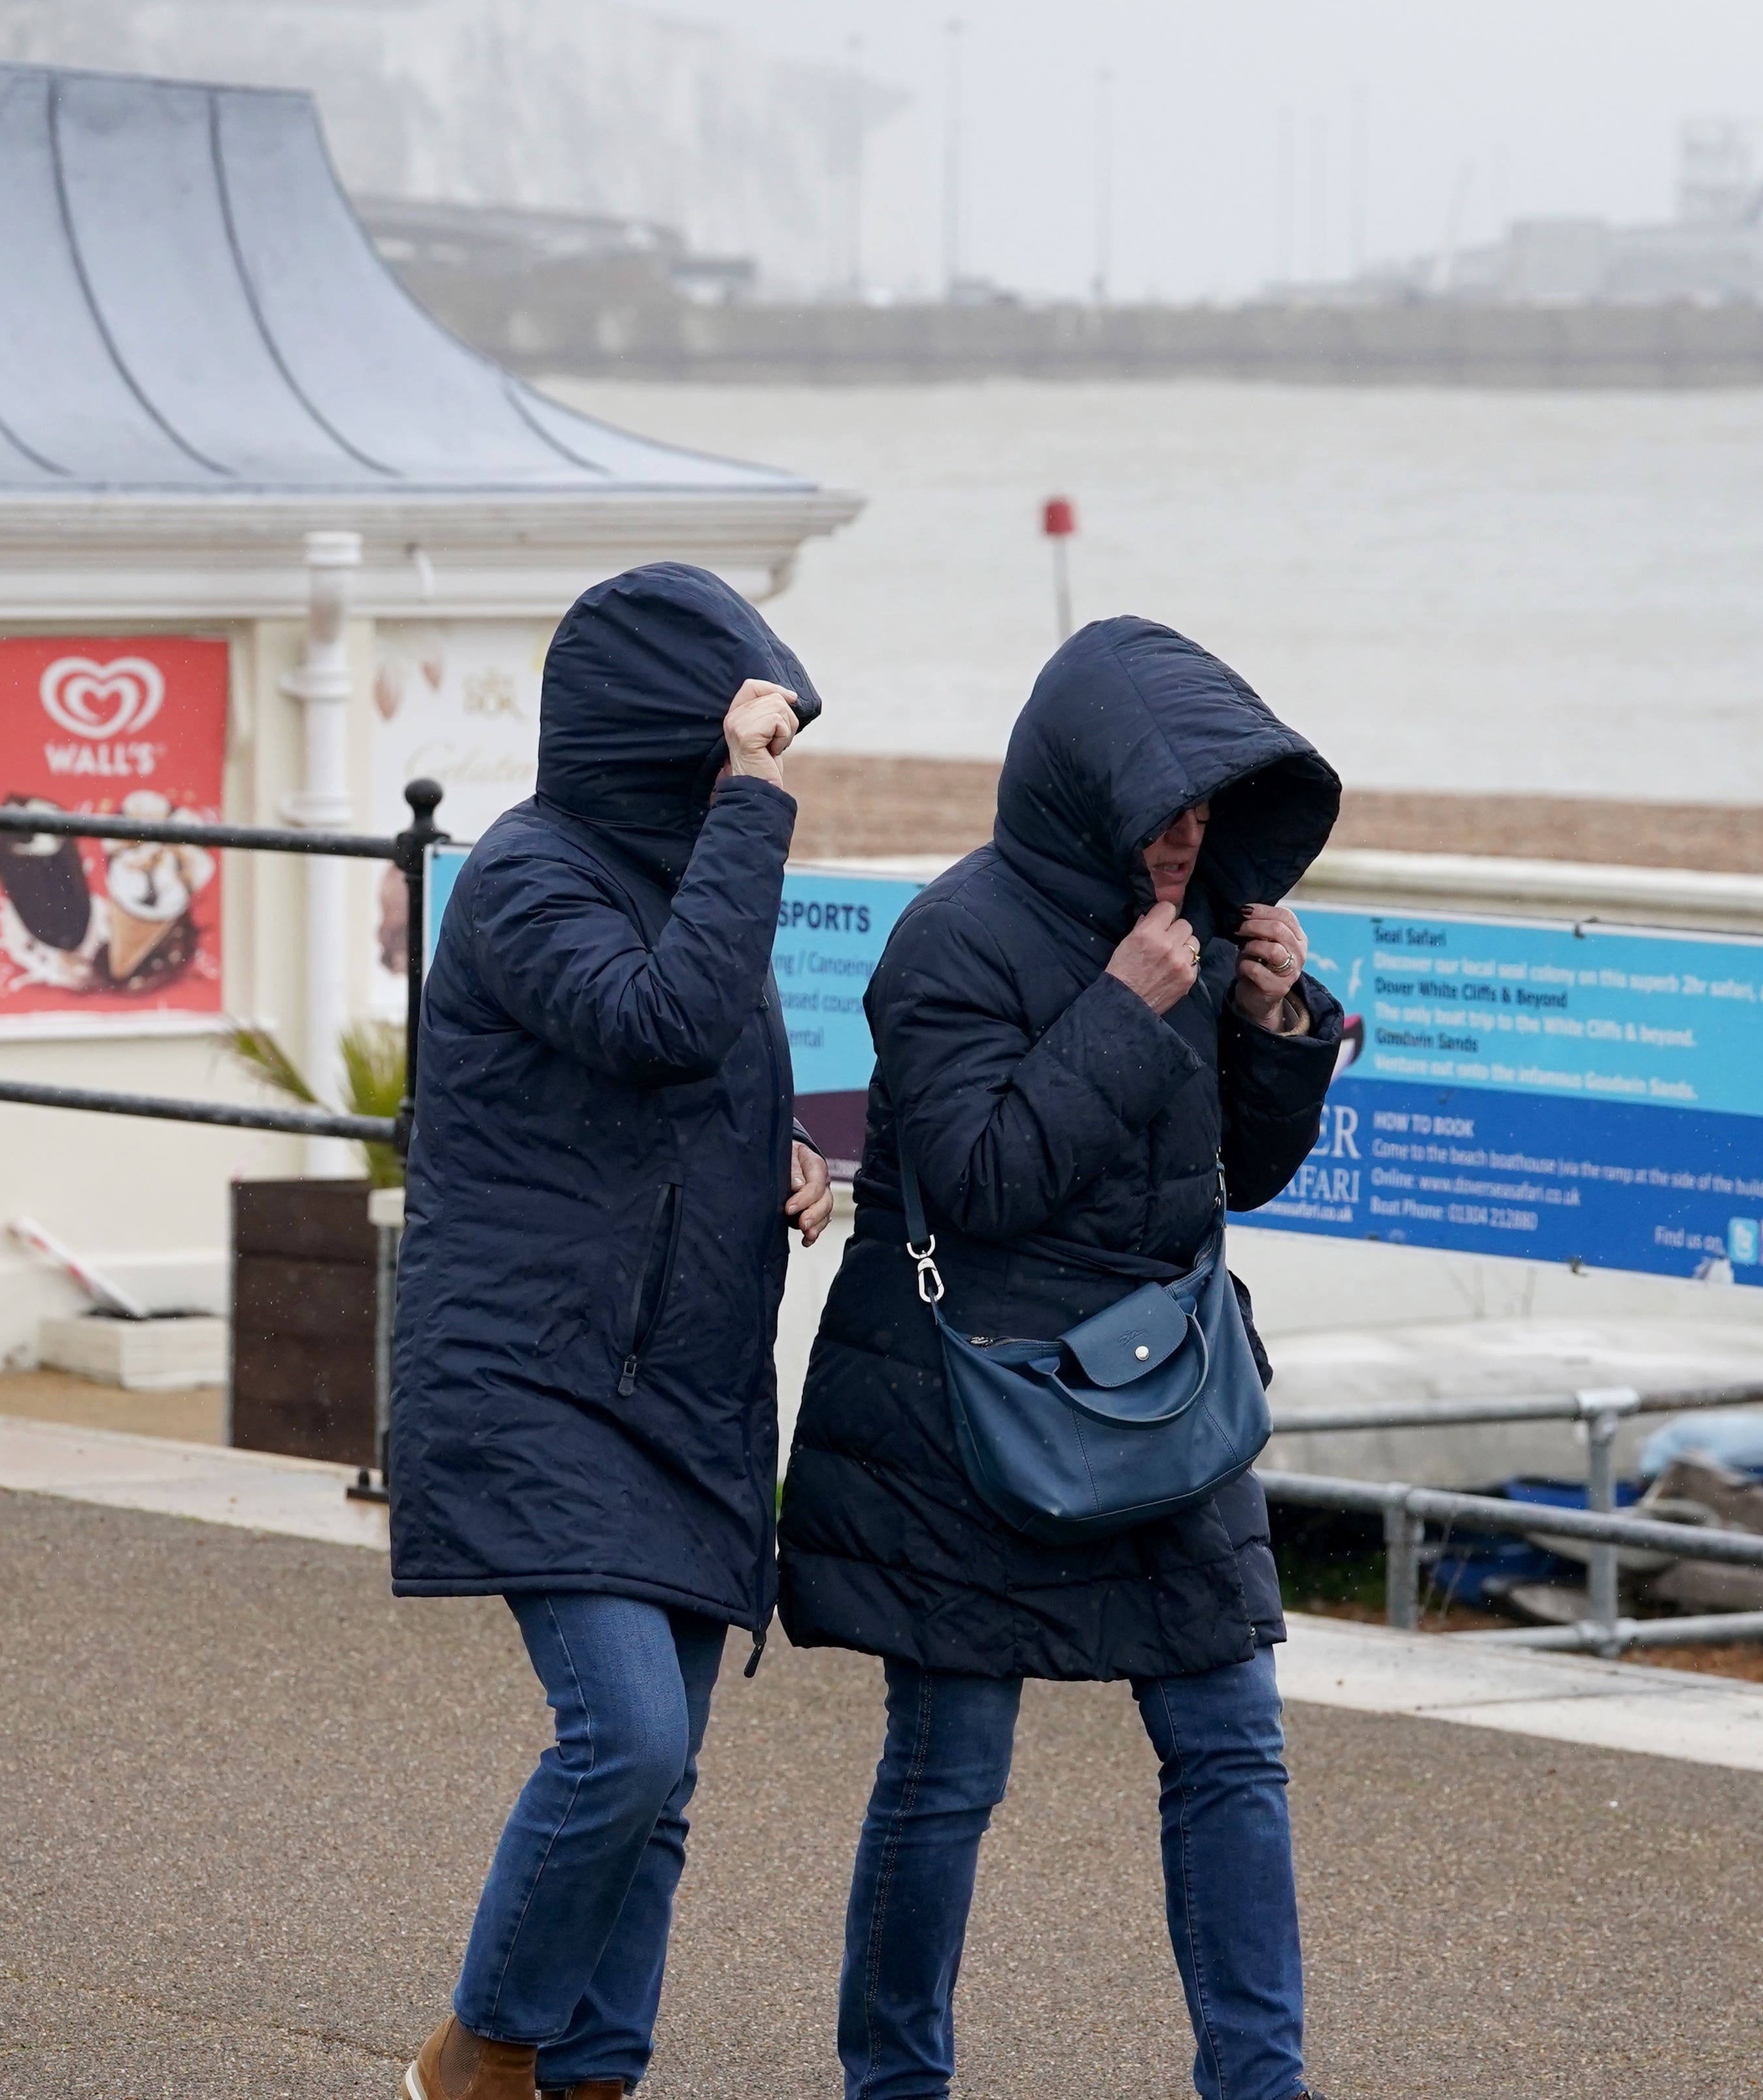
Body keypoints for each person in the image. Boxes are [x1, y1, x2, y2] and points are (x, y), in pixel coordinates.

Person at [779, 617, 1346, 2100]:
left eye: (1207, 813)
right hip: (973, 1405)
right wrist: (1125, 1006)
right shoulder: (950, 939)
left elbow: (1246, 1171)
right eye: (1163, 813)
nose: (1187, 841)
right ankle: (893, 2082)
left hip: (1161, 1389)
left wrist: (1273, 1017)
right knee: (950, 1765)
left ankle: (1258, 2083)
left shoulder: (1201, 925)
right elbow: (978, 1179)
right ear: (1082, 793)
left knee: (1231, 1737)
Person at [391, 562, 836, 2100]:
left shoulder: (685, 875)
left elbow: (692, 1058)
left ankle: (596, 2075)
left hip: (685, 1381)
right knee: (624, 1740)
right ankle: (481, 2051)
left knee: (668, 1784)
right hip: (535, 1373)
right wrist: (755, 805)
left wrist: (779, 1152)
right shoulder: (525, 876)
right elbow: (655, 1021)